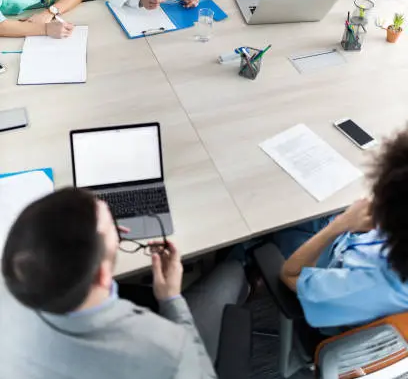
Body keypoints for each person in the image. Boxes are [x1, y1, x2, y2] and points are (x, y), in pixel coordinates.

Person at [0, 187, 246, 378]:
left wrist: (100, 239)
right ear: (103, 276)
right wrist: (171, 298)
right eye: (111, 227)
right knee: (232, 272)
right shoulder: (166, 347)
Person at [274, 128, 408, 330]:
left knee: (277, 222)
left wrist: (341, 224)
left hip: (328, 269)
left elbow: (291, 275)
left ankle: (245, 271)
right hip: (353, 241)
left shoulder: (371, 286)